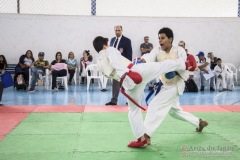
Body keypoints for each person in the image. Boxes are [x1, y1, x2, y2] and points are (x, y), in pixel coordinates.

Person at [93, 35, 197, 148]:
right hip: (135, 72)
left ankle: (141, 139)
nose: (108, 45)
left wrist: (124, 75)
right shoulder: (109, 50)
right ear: (104, 45)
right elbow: (115, 63)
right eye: (107, 43)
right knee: (161, 66)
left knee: (133, 110)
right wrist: (128, 73)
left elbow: (111, 72)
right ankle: (187, 64)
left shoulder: (98, 64)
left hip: (128, 84)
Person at [141, 28, 208, 148]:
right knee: (174, 112)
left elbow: (183, 64)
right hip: (165, 84)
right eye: (159, 38)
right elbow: (149, 57)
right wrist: (143, 60)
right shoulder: (157, 50)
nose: (160, 41)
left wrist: (175, 72)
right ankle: (199, 122)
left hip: (177, 84)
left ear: (170, 39)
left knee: (154, 106)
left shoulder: (179, 50)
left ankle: (146, 136)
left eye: (163, 38)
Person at [106, 25, 133, 106]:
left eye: (119, 30)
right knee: (115, 82)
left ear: (122, 30)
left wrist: (128, 66)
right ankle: (114, 100)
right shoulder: (112, 40)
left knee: (126, 83)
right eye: (116, 30)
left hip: (123, 65)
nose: (117, 32)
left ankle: (129, 101)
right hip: (115, 65)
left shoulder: (127, 40)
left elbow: (129, 54)